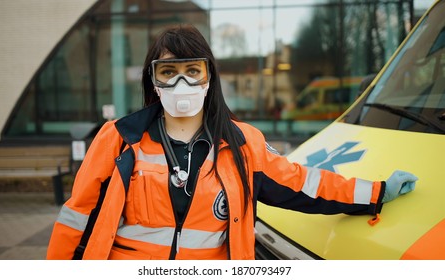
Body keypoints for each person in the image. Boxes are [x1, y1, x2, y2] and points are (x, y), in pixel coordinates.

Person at [46, 24, 418, 260]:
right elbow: (75, 217)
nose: (182, 84)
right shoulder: (118, 138)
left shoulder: (243, 144)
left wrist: (375, 192)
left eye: (193, 70)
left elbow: (304, 185)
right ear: (153, 81)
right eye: (169, 72)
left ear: (209, 77)